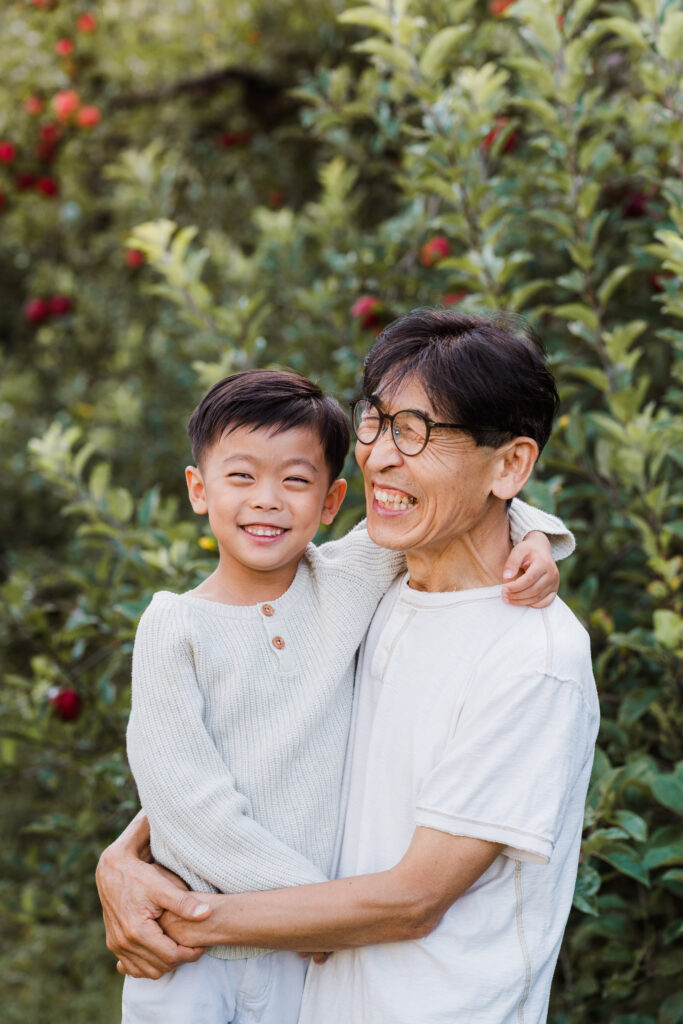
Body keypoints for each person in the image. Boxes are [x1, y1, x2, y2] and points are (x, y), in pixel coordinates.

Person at [100, 358, 573, 1024]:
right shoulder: (175, 627)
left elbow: (455, 502)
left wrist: (536, 535)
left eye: (294, 482)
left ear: (329, 503)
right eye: (240, 476)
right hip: (196, 965)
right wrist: (316, 909)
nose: (266, 499)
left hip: (294, 960)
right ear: (198, 488)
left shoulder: (345, 581)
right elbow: (191, 807)